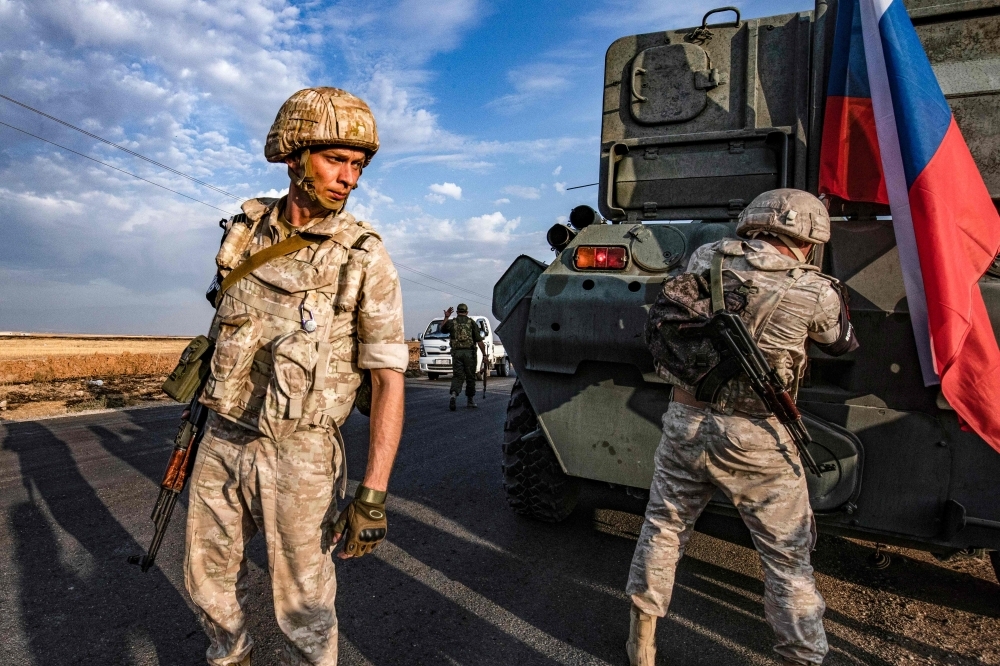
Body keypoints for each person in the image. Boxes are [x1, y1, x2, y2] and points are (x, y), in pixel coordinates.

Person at [184, 87, 408, 666]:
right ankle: (231, 655)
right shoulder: (245, 232)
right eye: (336, 160)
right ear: (295, 157)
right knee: (204, 582)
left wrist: (373, 496)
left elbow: (387, 380)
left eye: (357, 166)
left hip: (301, 452)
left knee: (303, 605)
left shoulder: (364, 255)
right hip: (224, 436)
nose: (349, 178)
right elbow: (223, 333)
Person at [626, 189, 858, 666]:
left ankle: (641, 643)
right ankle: (802, 656)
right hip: (759, 437)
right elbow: (842, 344)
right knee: (786, 557)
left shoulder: (706, 258)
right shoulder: (814, 289)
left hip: (685, 420)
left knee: (663, 528)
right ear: (810, 238)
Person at [440, 303, 486, 410]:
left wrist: (446, 317)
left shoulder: (452, 322)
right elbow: (479, 341)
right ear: (467, 312)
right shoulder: (472, 323)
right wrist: (484, 355)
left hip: (457, 354)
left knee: (458, 376)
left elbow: (442, 329)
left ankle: (454, 394)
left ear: (457, 312)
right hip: (469, 354)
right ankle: (470, 401)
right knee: (470, 377)